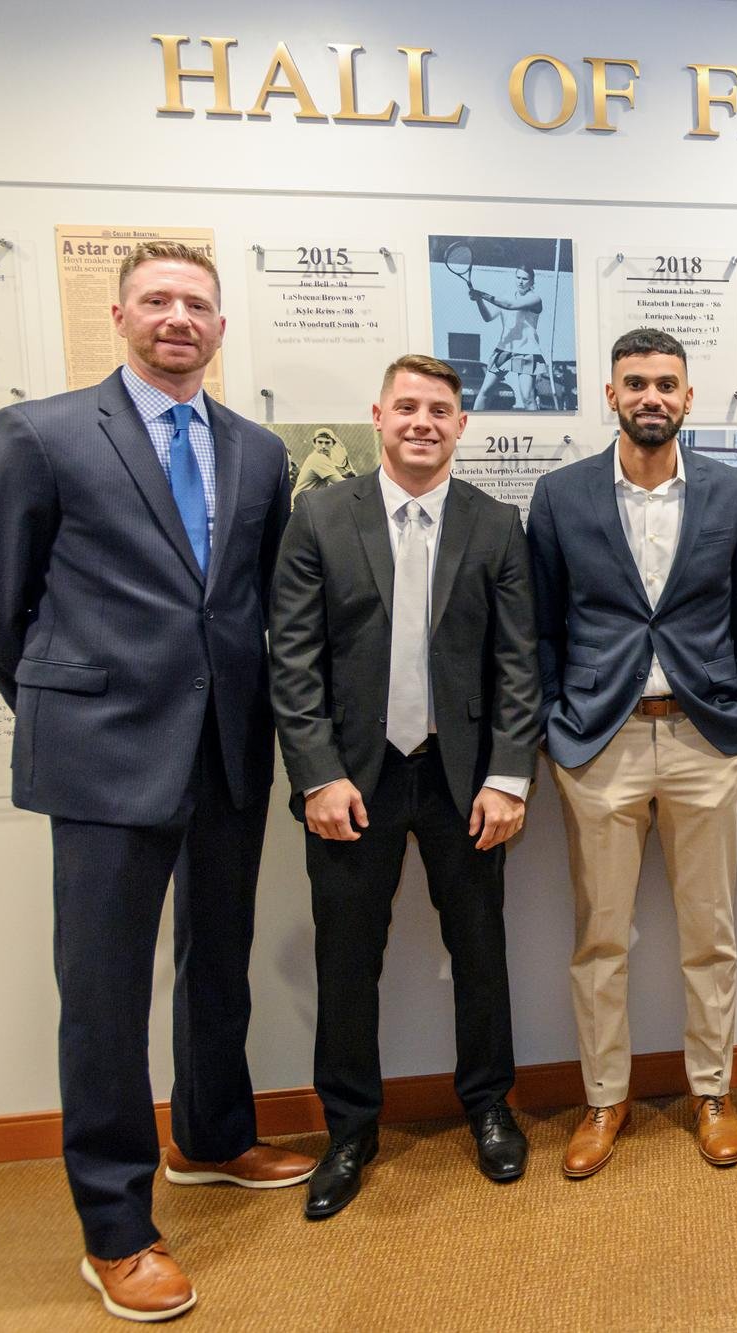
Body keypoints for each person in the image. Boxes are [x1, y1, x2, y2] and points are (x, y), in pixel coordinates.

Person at [0, 240, 313, 1321]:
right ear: (118, 314)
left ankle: (211, 1137)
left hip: (226, 749)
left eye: (196, 304)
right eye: (157, 300)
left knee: (217, 962)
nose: (177, 317)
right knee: (102, 997)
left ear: (220, 328)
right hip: (103, 754)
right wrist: (70, 705)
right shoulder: (43, 432)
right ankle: (114, 1225)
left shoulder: (255, 451)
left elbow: (244, 602)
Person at [269, 353, 541, 1219]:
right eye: (409, 407)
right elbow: (294, 660)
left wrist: (508, 776)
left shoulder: (496, 523)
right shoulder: (318, 516)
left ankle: (489, 1104)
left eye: (441, 410)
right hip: (353, 781)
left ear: (462, 426)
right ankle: (349, 1127)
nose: (424, 422)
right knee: (348, 959)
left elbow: (517, 664)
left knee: (481, 949)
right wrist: (316, 775)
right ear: (378, 416)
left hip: (464, 781)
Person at [527, 329, 737, 1178]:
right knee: (601, 936)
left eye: (666, 383)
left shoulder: (733, 492)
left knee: (711, 932)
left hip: (707, 738)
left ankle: (712, 1090)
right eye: (635, 383)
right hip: (599, 744)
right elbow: (545, 629)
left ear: (689, 397)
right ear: (611, 394)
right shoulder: (560, 496)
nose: (651, 398)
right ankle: (605, 1099)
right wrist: (557, 729)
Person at [473, 264, 546, 410]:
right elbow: (487, 317)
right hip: (503, 349)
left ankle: (538, 427)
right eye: (518, 277)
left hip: (527, 351)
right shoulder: (506, 296)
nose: (520, 281)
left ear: (532, 281)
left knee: (528, 399)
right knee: (485, 393)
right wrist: (478, 300)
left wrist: (482, 294)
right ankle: (474, 424)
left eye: (525, 279)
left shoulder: (535, 299)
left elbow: (510, 305)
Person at [289, 427, 356, 507]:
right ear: (314, 444)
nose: (323, 446)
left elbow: (327, 485)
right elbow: (342, 484)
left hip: (304, 506)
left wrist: (345, 476)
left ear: (333, 444)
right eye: (320, 442)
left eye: (327, 443)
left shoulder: (319, 457)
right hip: (300, 509)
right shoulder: (319, 458)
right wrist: (356, 482)